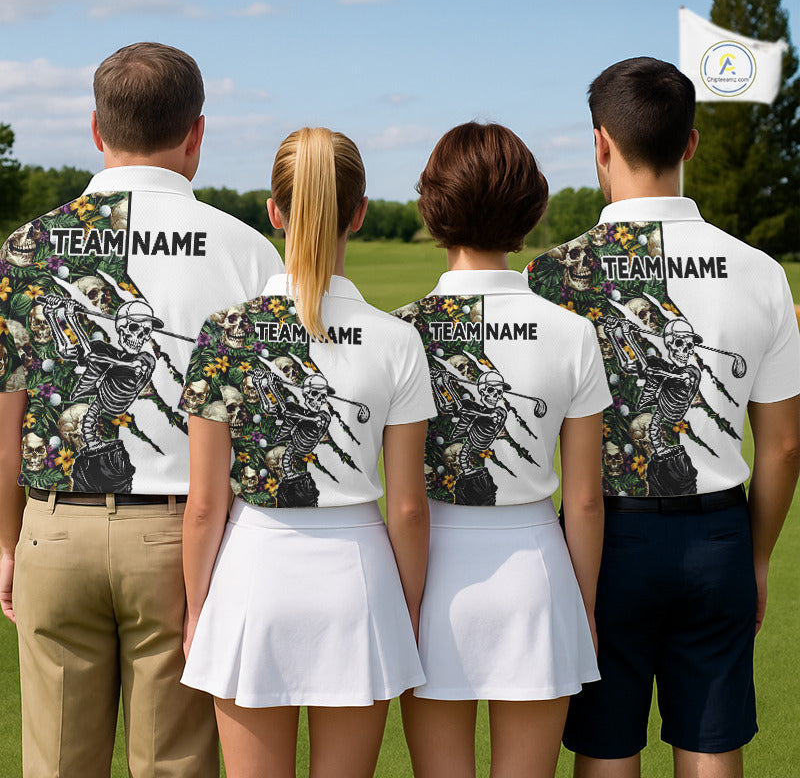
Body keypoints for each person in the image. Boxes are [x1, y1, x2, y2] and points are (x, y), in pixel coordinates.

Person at [0, 42, 283, 777]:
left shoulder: (26, 248)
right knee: (174, 762)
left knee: (57, 763)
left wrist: (8, 543)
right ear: (197, 133)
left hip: (54, 528)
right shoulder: (249, 251)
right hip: (184, 539)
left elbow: (5, 428)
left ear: (97, 129)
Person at [526, 57, 800, 778]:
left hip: (602, 539)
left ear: (600, 145)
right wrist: (756, 557)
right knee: (711, 747)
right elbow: (783, 447)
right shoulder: (760, 271)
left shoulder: (549, 276)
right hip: (718, 536)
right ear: (691, 144)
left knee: (607, 746)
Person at [179, 127, 434, 778]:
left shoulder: (224, 334)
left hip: (252, 575)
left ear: (274, 211)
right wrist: (407, 605)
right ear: (359, 213)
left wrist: (196, 609)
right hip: (359, 580)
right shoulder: (397, 340)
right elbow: (408, 509)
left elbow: (205, 505)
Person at [393, 121, 609, 778]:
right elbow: (586, 501)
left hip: (428, 577)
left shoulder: (399, 331)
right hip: (536, 575)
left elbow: (401, 497)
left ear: (433, 205)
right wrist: (584, 607)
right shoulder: (572, 333)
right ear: (530, 206)